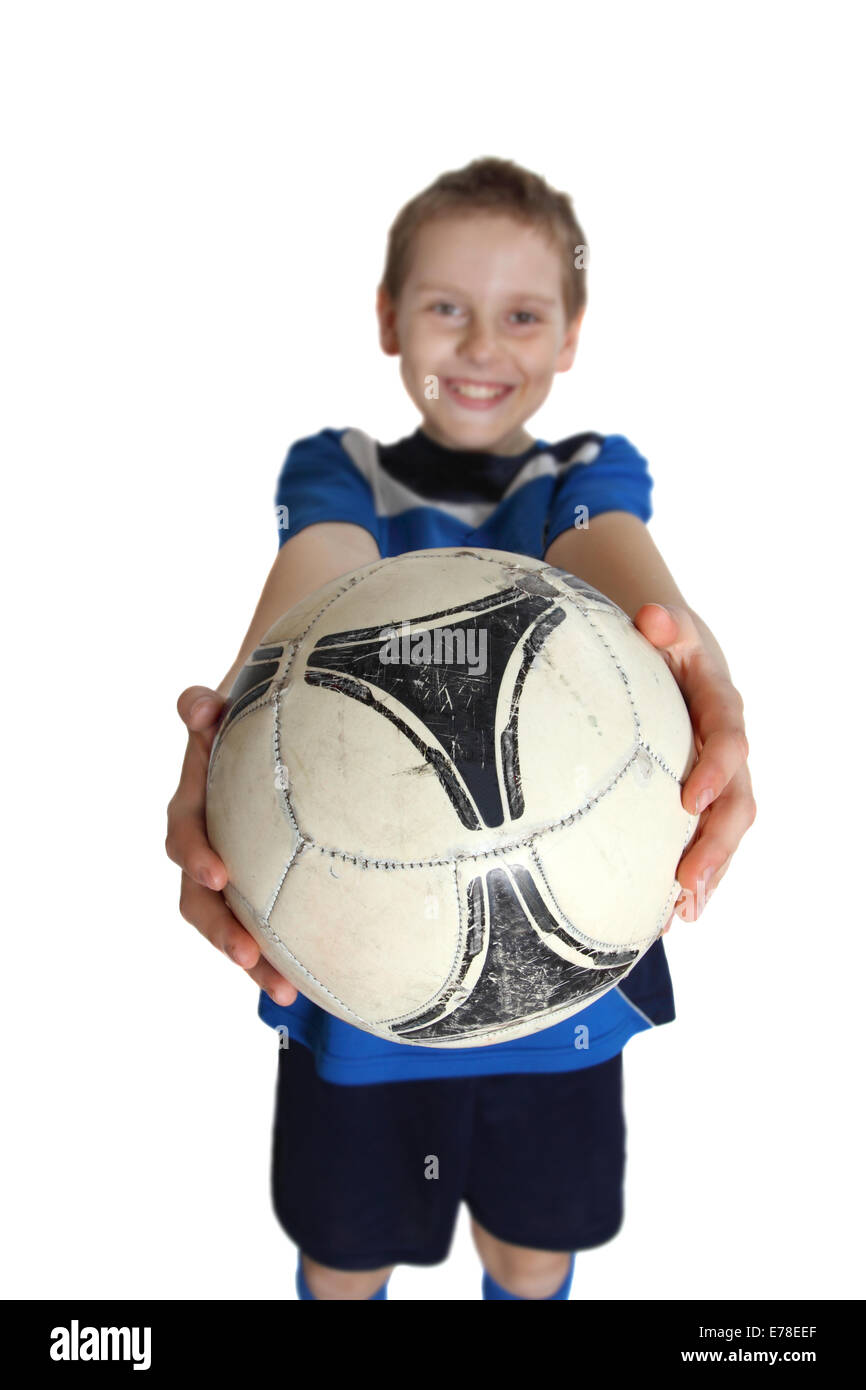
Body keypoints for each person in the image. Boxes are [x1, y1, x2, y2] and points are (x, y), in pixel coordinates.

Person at [165, 156, 756, 1301]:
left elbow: (609, 554)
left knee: (534, 1249)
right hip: (356, 985)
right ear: (388, 320)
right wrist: (243, 709)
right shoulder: (340, 471)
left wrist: (694, 658)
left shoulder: (581, 472)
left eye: (522, 315)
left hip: (564, 997)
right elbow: (320, 567)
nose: (483, 346)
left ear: (569, 337)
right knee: (344, 1254)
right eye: (446, 308)